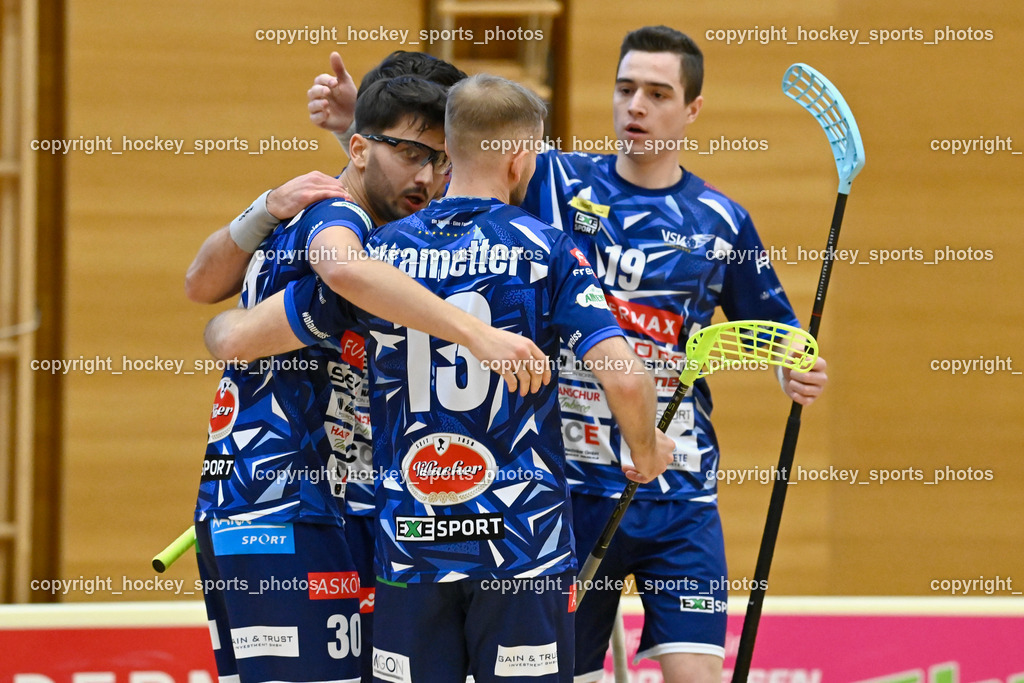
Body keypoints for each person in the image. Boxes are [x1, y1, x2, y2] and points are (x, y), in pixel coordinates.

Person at [305, 27, 828, 683]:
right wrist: (363, 123)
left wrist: (797, 366)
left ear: (692, 108)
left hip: (677, 491)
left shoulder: (723, 221)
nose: (635, 105)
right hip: (573, 493)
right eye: (624, 88)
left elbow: (780, 336)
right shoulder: (558, 179)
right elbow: (468, 145)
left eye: (657, 92)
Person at [204, 73, 675, 683]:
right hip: (523, 549)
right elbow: (627, 379)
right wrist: (647, 448)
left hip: (409, 546)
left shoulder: (381, 255)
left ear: (448, 151)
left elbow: (235, 338)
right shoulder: (548, 249)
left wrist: (227, 323)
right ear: (520, 156)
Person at [186, 52, 470, 683]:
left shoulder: (360, 219)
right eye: (415, 154)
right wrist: (477, 334)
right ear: (365, 148)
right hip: (281, 505)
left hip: (327, 503)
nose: (431, 176)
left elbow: (204, 294)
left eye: (443, 159)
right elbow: (326, 270)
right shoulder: (338, 219)